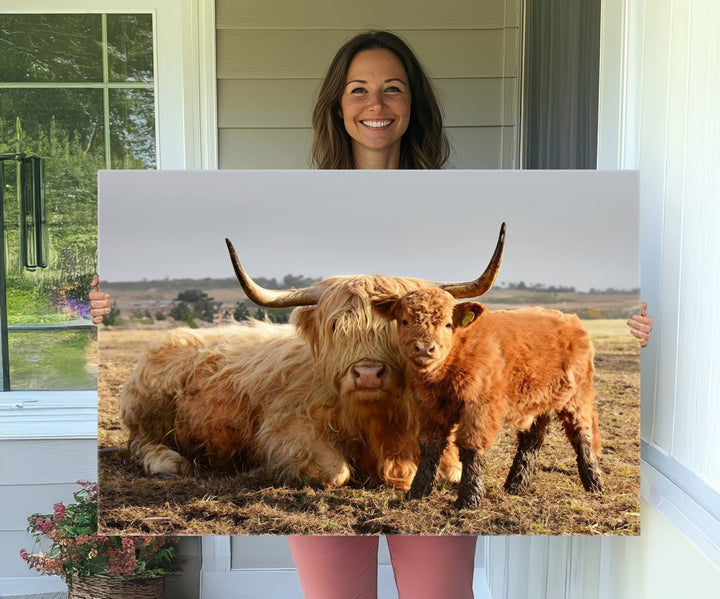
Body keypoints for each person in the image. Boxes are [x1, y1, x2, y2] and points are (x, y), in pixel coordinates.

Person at [90, 30, 652, 599]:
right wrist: (98, 300)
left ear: (414, 104)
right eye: (358, 90)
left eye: (393, 89)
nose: (376, 105)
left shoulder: (460, 199)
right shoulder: (294, 196)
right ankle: (144, 443)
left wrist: (639, 319)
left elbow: (459, 318)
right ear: (338, 104)